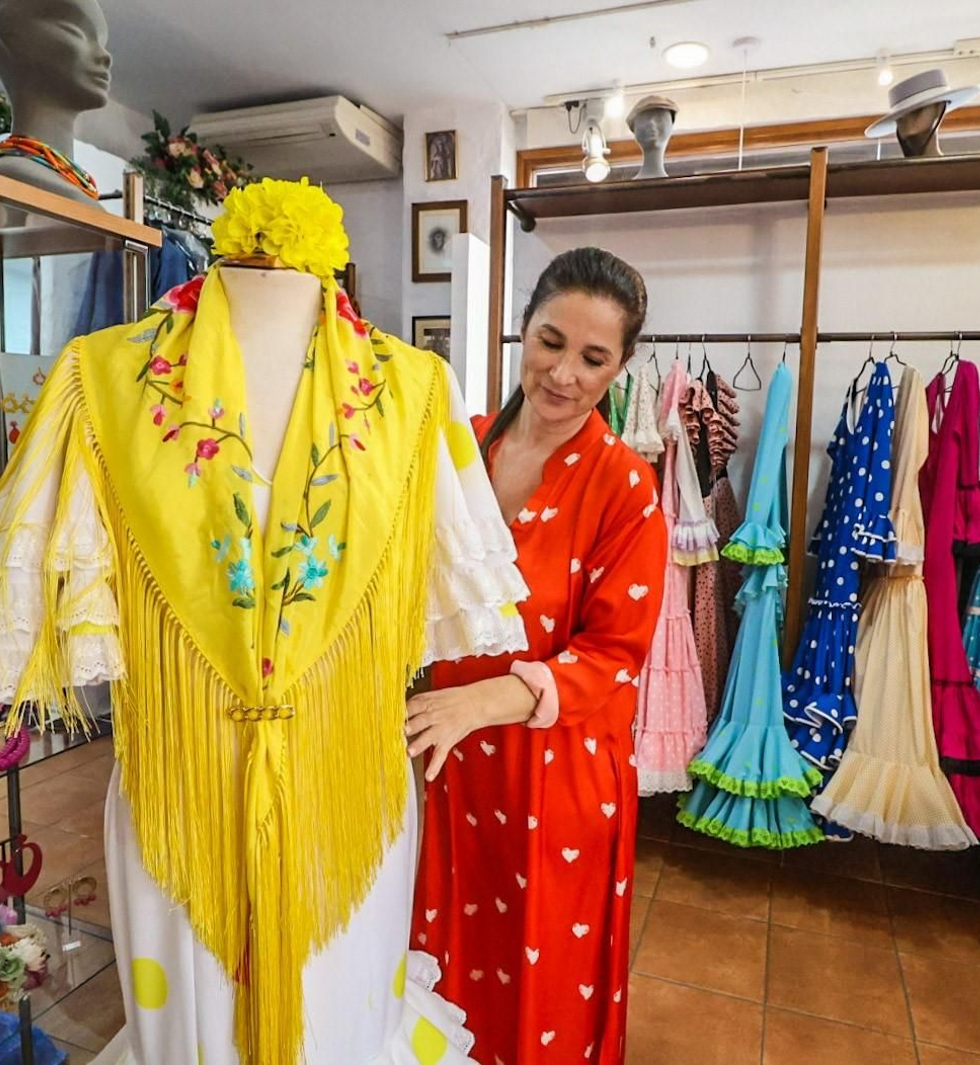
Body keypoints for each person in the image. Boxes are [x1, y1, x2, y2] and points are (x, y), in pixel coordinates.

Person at [409, 247, 669, 1063]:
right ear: (523, 328)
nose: (563, 374)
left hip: (555, 781)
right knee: (439, 975)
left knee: (539, 993)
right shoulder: (461, 449)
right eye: (551, 342)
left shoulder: (626, 487)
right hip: (450, 770)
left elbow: (614, 656)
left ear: (621, 366)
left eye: (593, 357)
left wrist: (478, 702)